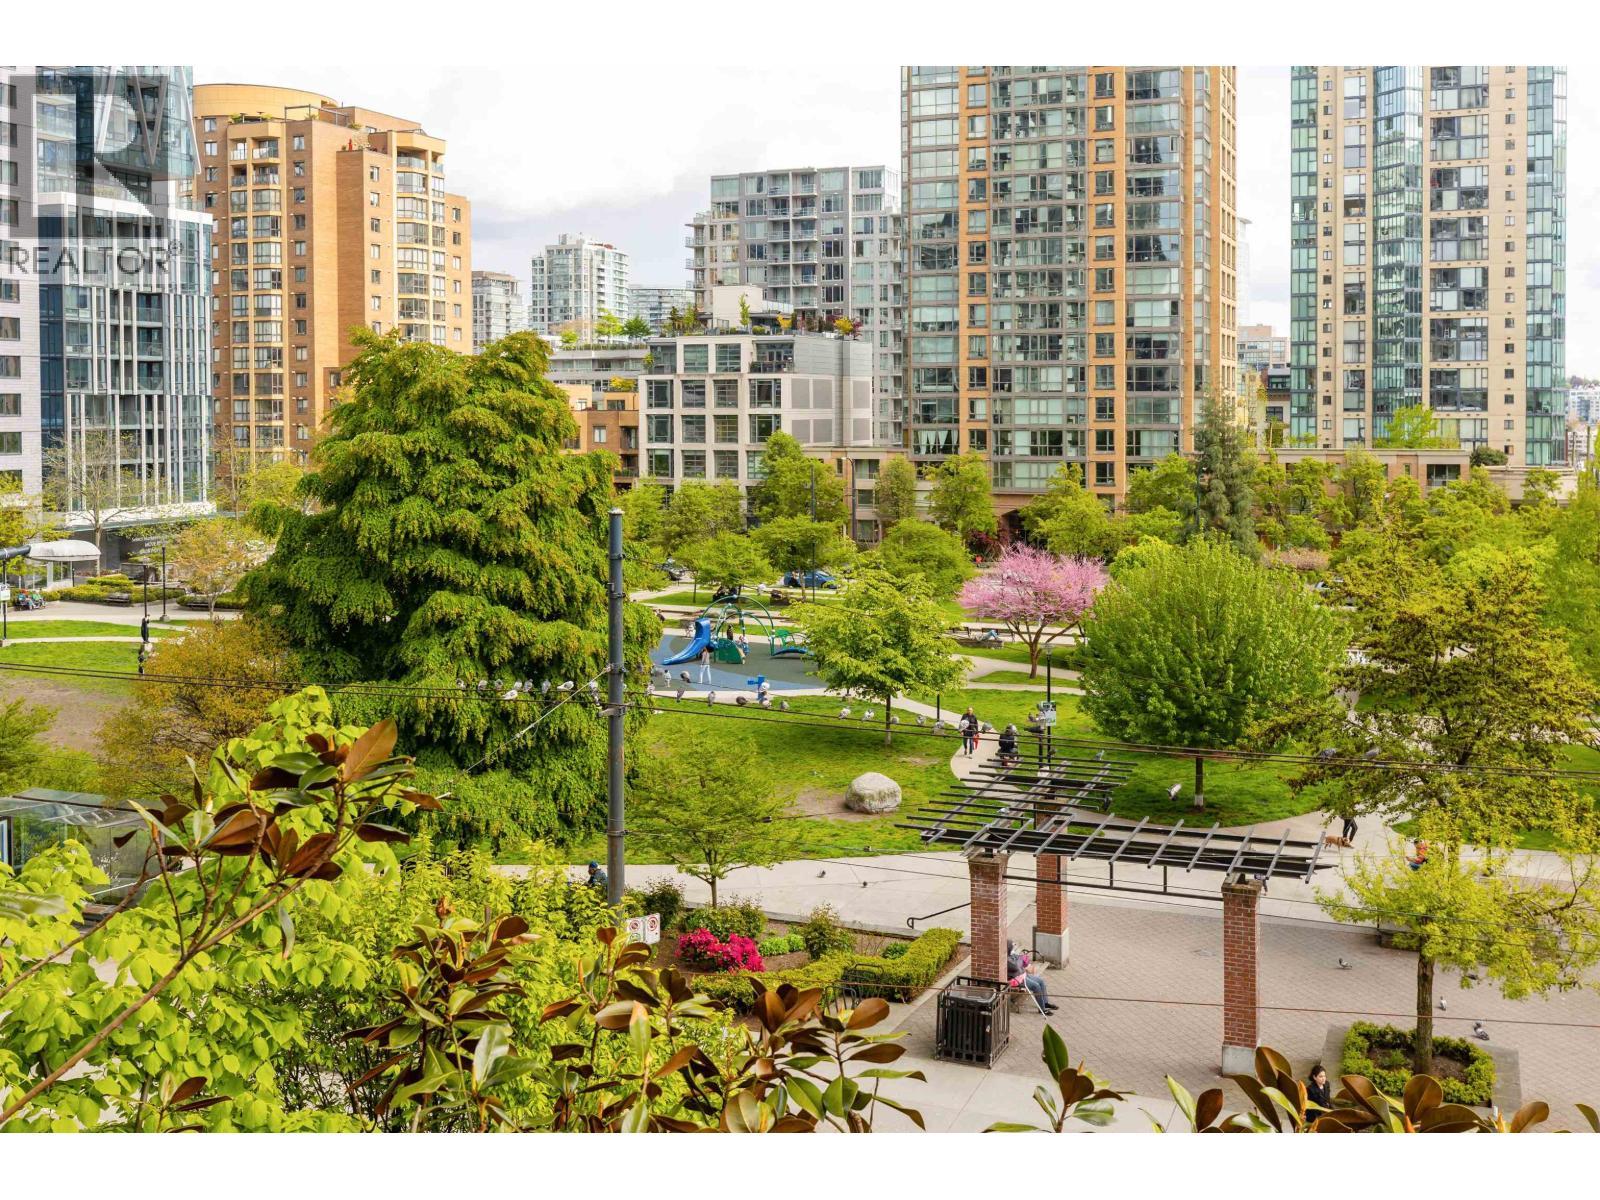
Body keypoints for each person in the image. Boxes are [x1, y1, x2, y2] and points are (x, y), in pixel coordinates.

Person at [1007, 940, 1057, 1014]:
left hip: (1023, 975)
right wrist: (1020, 960)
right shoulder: (1007, 959)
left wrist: (1019, 959)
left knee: (1041, 981)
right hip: (1017, 979)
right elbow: (1016, 966)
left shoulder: (1011, 955)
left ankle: (1045, 1003)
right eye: (1012, 947)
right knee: (1036, 986)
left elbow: (1020, 960)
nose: (1013, 949)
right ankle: (1042, 1009)